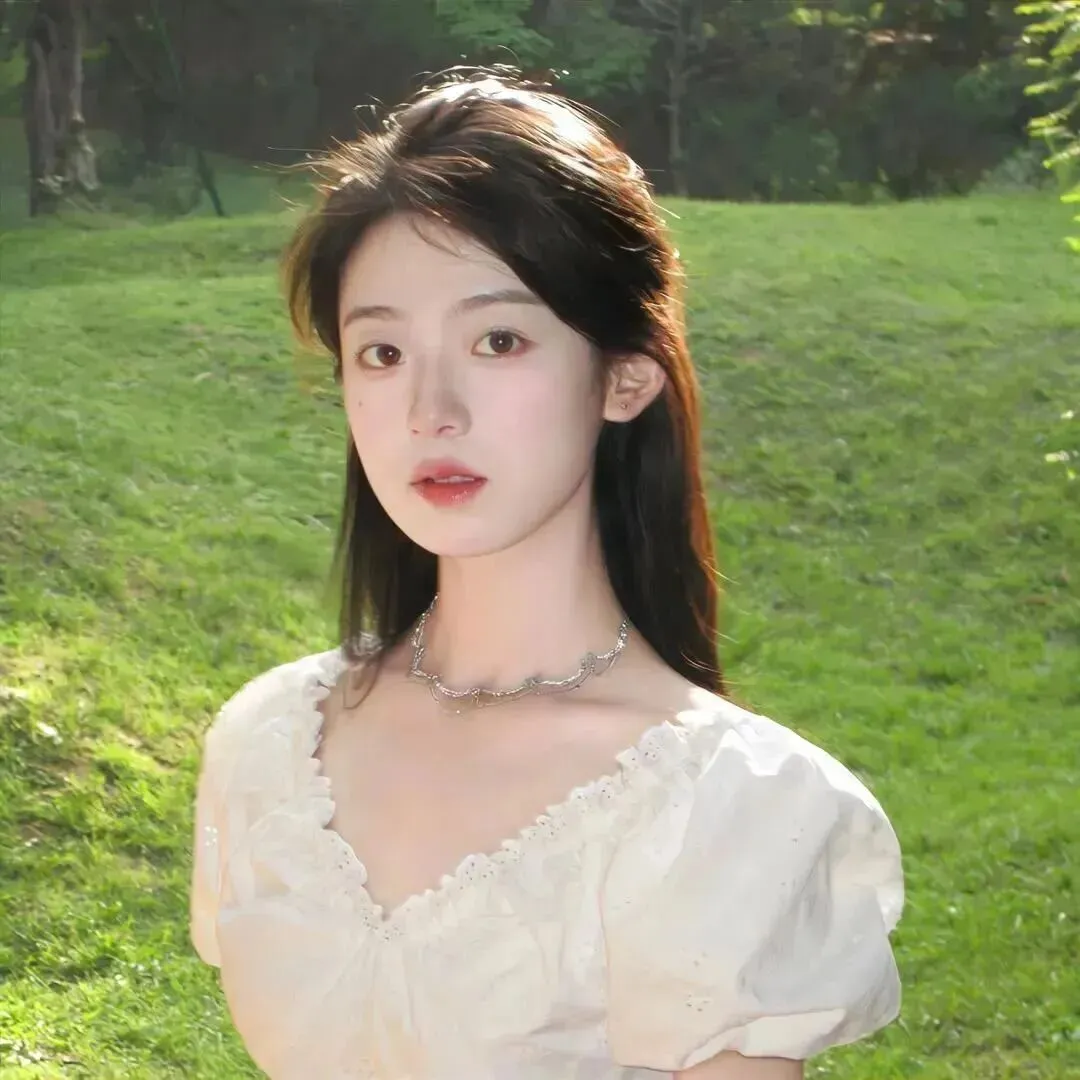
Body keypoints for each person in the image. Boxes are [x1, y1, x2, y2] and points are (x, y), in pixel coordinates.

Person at [189, 68, 904, 1080]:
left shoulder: (729, 807)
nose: (431, 411)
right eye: (382, 352)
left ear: (624, 377)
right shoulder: (269, 746)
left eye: (498, 340)